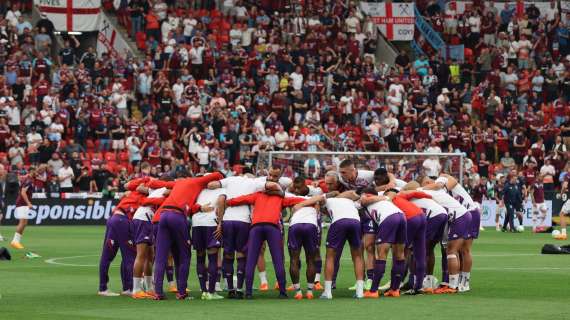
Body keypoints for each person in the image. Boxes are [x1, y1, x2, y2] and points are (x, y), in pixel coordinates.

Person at [151, 171, 224, 300]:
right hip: (177, 217)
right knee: (185, 255)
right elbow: (216, 174)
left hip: (163, 215)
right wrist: (222, 182)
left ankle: (158, 292)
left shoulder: (178, 183)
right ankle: (181, 292)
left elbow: (160, 184)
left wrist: (149, 181)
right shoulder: (196, 181)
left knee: (161, 256)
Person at [224, 183, 304, 299]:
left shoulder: (257, 195)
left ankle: (249, 293)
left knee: (251, 260)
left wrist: (228, 202)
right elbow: (299, 200)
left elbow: (238, 200)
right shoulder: (281, 198)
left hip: (256, 228)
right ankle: (282, 292)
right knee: (278, 260)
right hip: (272, 227)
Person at [293, 186, 365, 300]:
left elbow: (318, 198)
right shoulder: (350, 201)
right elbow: (360, 200)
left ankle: (327, 292)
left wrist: (300, 205)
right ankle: (360, 292)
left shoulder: (329, 200)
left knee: (330, 256)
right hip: (355, 221)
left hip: (339, 222)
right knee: (358, 256)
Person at [417, 175, 472, 294]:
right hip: (462, 215)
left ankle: (452, 286)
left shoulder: (420, 191)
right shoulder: (436, 190)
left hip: (459, 216)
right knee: (456, 251)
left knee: (451, 251)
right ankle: (456, 284)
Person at [98, 176, 149, 297]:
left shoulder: (133, 191)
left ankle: (103, 288)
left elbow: (127, 186)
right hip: (123, 221)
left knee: (107, 255)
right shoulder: (146, 196)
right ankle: (130, 288)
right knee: (130, 256)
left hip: (113, 218)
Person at [358, 189, 406, 298]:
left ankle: (373, 291)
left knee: (382, 255)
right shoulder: (381, 198)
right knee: (400, 254)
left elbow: (363, 201)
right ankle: (395, 290)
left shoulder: (363, 200)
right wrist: (384, 197)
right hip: (401, 216)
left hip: (388, 219)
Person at [337, 159, 375, 291]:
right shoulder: (342, 180)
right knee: (358, 248)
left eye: (344, 172)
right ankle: (360, 280)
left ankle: (371, 279)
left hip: (370, 212)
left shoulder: (368, 175)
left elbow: (388, 176)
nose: (341, 175)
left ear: (353, 170)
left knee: (369, 246)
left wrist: (390, 183)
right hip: (357, 214)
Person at [10, 167, 36, 250]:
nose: (22, 176)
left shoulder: (26, 181)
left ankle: (17, 241)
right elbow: (23, 193)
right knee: (22, 222)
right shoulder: (28, 181)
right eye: (20, 174)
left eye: (23, 174)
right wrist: (28, 203)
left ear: (27, 174)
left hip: (22, 203)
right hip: (22, 203)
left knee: (24, 223)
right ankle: (15, 241)